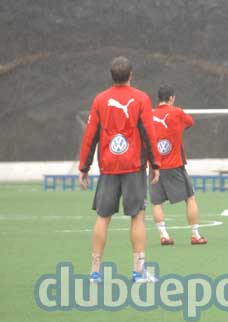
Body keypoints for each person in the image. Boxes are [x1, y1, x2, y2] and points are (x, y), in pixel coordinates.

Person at [78, 56, 161, 283]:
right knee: (138, 217)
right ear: (131, 75)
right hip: (133, 166)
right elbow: (149, 133)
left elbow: (90, 135)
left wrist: (84, 167)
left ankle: (95, 273)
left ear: (111, 76)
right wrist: (155, 164)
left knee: (103, 217)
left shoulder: (100, 100)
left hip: (108, 166)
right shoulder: (141, 98)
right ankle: (139, 272)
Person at [149, 85, 208, 246]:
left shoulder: (149, 115)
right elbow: (189, 123)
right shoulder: (177, 112)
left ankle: (164, 236)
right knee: (190, 198)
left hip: (155, 166)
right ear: (171, 98)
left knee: (156, 202)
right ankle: (195, 235)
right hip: (175, 165)